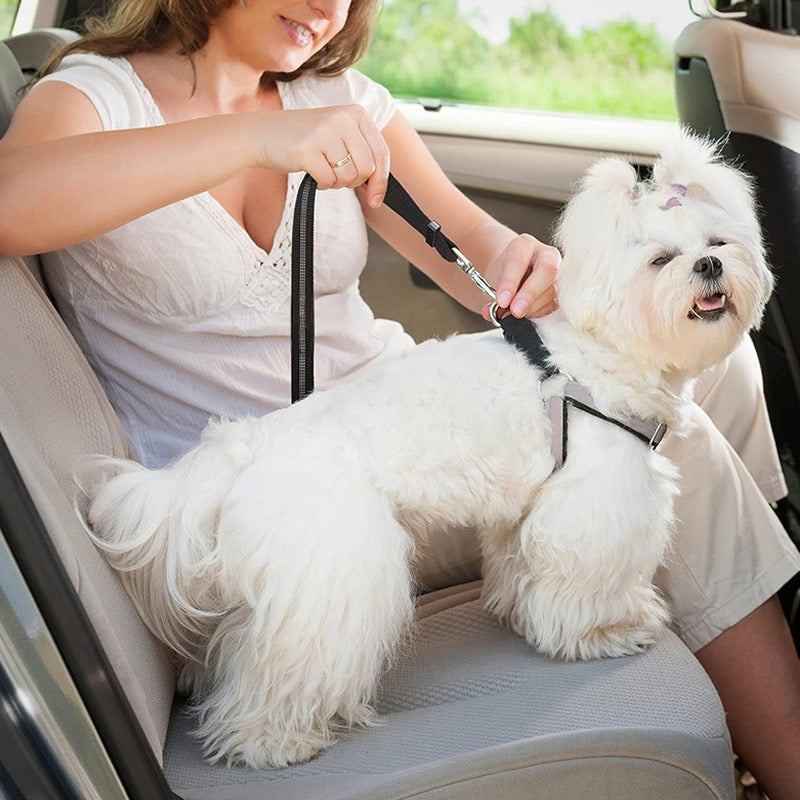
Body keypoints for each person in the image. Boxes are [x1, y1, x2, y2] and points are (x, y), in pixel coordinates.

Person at [0, 1, 797, 796]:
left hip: (405, 436)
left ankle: (740, 662)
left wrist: (517, 261)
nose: (329, 7)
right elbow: (9, 203)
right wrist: (258, 137)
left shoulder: (339, 98)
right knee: (661, 437)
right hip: (267, 506)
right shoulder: (92, 99)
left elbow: (468, 245)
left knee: (713, 369)